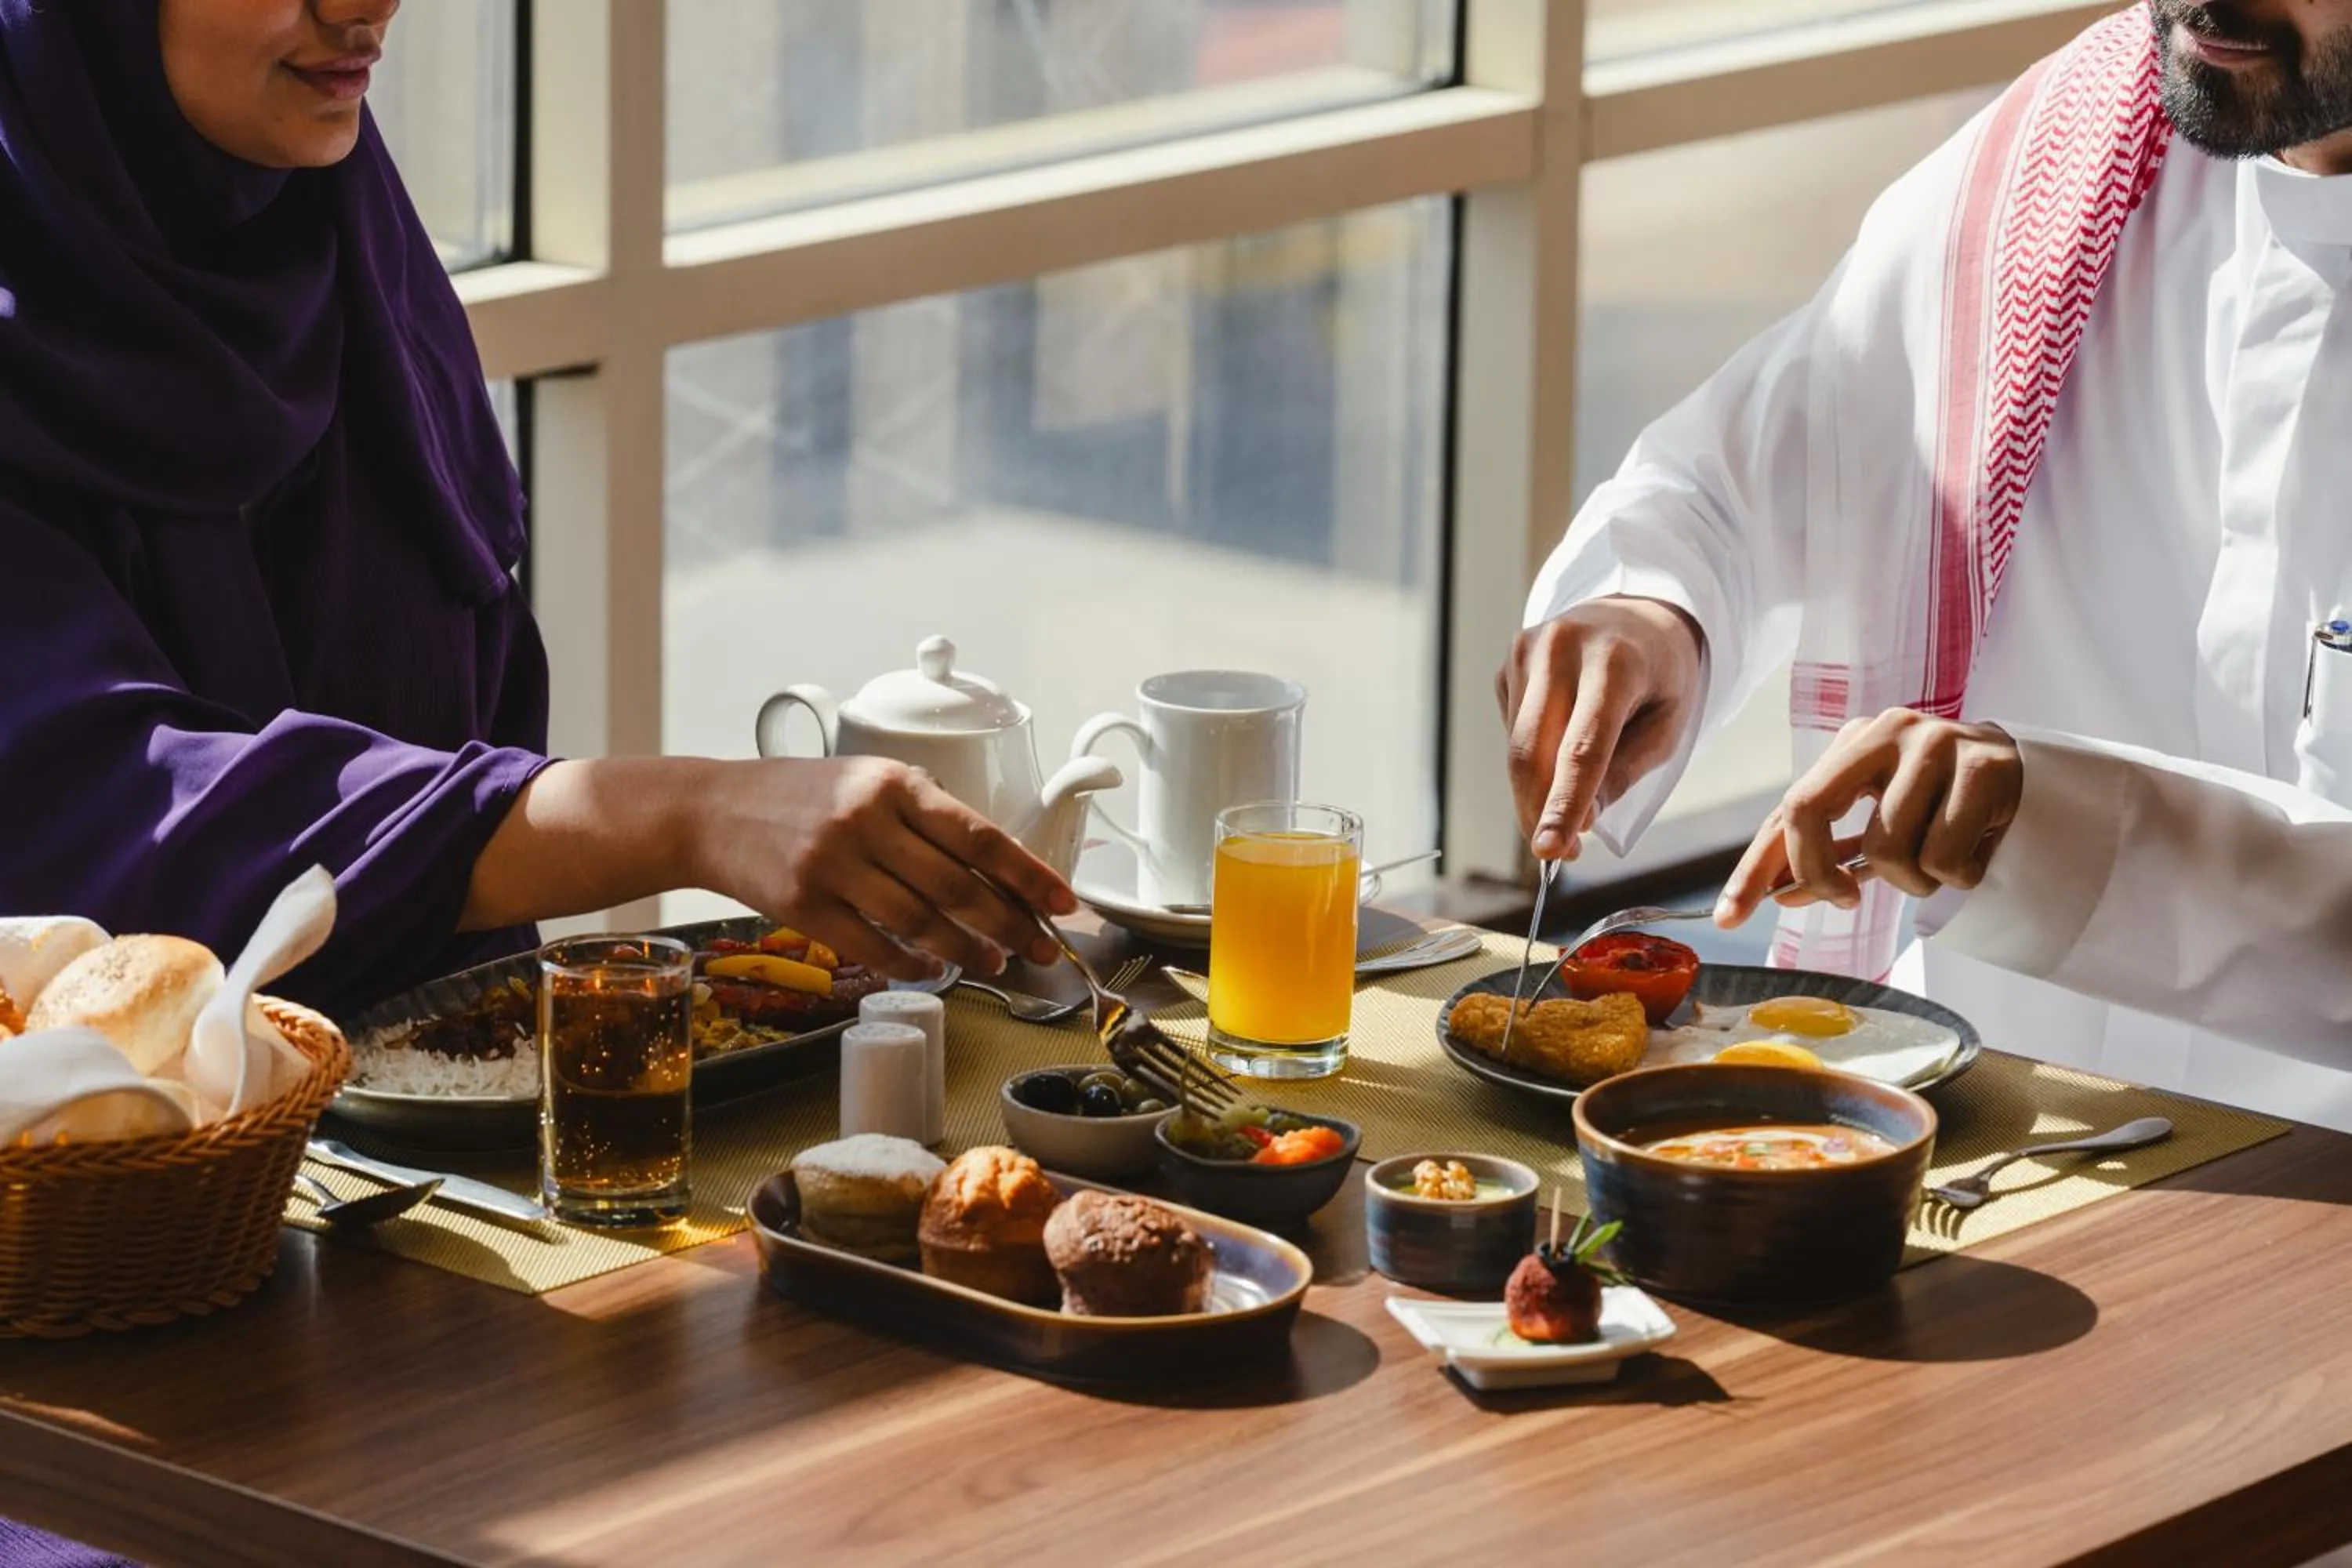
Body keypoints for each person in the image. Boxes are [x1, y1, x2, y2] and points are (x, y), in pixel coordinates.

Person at [0, 0, 1079, 1029]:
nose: (367, 10)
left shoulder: (335, 226)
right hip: (117, 1149)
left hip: (433, 1079)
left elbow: (472, 687)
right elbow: (101, 811)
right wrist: (689, 813)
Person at [1499, 0, 2352, 1127]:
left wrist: (2049, 819)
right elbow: (1759, 456)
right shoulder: (2075, 154)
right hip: (1989, 1130)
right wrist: (1657, 609)